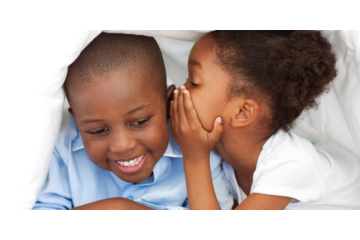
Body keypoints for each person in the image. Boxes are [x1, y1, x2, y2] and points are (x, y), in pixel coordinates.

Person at [32, 33, 233, 210]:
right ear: (77, 120)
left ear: (168, 104)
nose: (122, 146)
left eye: (140, 122)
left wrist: (122, 210)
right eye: (98, 130)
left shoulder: (201, 154)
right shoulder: (60, 151)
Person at [171, 30, 360, 210]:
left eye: (194, 82)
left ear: (243, 112)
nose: (180, 89)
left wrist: (195, 158)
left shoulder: (291, 163)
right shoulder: (224, 158)